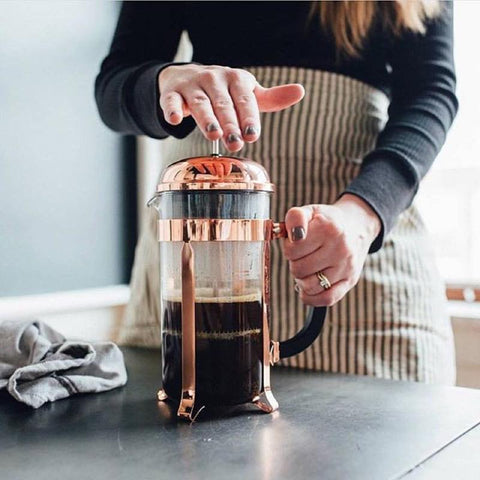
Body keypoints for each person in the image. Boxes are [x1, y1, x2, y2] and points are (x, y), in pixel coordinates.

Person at [95, 1, 458, 384]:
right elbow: (113, 86)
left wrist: (363, 216)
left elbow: (431, 91)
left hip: (357, 228)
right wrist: (162, 81)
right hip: (197, 238)